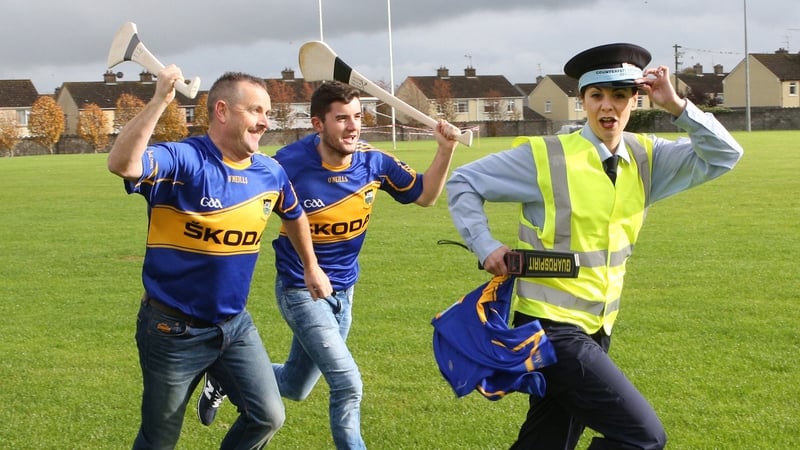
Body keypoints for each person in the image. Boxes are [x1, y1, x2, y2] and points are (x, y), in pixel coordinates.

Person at [445, 43, 744, 449]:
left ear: (635, 100)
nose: (608, 107)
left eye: (620, 96)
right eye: (597, 96)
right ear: (582, 100)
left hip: (598, 328)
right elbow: (464, 182)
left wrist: (676, 105)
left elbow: (725, 154)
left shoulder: (647, 157)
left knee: (547, 442)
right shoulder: (545, 156)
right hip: (550, 329)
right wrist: (484, 245)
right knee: (643, 437)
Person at [197, 80, 461, 449]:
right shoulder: (288, 164)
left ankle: (225, 376)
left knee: (295, 385)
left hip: (344, 292)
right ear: (318, 124)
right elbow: (236, 191)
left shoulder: (374, 162)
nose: (353, 126)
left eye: (357, 117)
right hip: (300, 290)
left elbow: (426, 195)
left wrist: (445, 149)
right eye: (341, 119)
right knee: (348, 384)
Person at [108, 67, 330, 449]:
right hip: (172, 331)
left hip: (233, 326)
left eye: (267, 112)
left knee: (268, 416)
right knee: (159, 440)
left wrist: (312, 266)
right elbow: (123, 165)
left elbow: (294, 214)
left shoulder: (270, 172)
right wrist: (160, 99)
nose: (264, 122)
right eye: (256, 111)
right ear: (223, 111)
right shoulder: (183, 160)